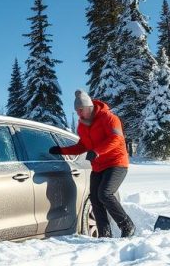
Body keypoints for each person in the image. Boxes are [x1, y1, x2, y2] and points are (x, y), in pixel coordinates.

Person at [49, 90, 135, 238]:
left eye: (81, 110)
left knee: (105, 194)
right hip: (98, 166)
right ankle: (104, 234)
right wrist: (61, 150)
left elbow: (117, 139)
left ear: (89, 107)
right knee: (95, 198)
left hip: (116, 163)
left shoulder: (109, 118)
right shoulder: (82, 126)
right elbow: (81, 146)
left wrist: (97, 151)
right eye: (77, 111)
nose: (79, 114)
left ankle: (127, 225)